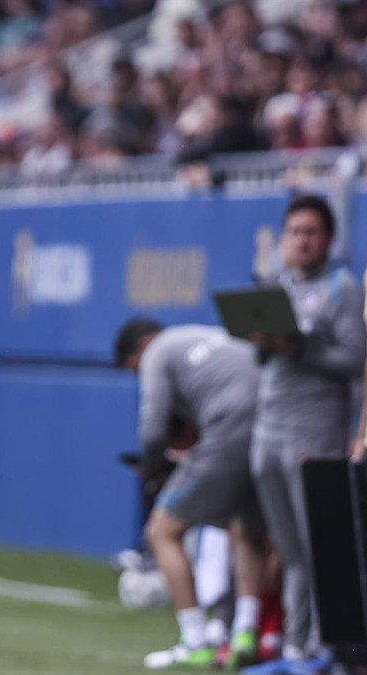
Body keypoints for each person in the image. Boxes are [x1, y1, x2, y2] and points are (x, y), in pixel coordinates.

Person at [244, 194, 366, 675]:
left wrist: (299, 351)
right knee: (289, 547)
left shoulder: (342, 287)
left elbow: (354, 361)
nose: (302, 241)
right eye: (294, 232)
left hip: (314, 427)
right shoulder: (278, 286)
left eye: (311, 232)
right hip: (268, 425)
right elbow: (264, 359)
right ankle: (294, 647)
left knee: (321, 544)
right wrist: (266, 344)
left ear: (329, 239)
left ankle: (325, 647)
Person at [114, 319, 267, 670]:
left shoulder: (157, 354)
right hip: (270, 424)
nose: (138, 376)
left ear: (142, 347)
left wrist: (153, 470)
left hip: (228, 430)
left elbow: (152, 430)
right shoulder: (200, 336)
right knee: (246, 529)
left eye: (133, 370)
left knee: (161, 532)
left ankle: (195, 640)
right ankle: (246, 632)